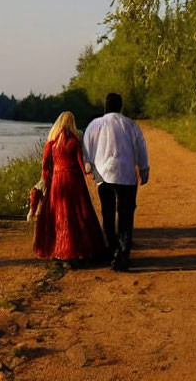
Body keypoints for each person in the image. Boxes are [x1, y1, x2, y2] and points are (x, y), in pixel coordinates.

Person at [83, 93, 150, 271]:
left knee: (108, 212)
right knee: (126, 215)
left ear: (105, 106)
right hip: (126, 176)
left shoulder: (94, 125)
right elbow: (140, 147)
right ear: (120, 107)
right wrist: (144, 169)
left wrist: (88, 167)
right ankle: (123, 253)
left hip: (103, 176)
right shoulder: (130, 124)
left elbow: (87, 149)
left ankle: (111, 249)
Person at [33, 111, 106, 263]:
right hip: (74, 180)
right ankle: (80, 248)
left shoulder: (51, 141)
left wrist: (45, 181)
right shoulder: (74, 140)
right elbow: (81, 162)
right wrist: (89, 176)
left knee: (59, 213)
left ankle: (59, 248)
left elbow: (45, 165)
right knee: (77, 213)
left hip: (58, 181)